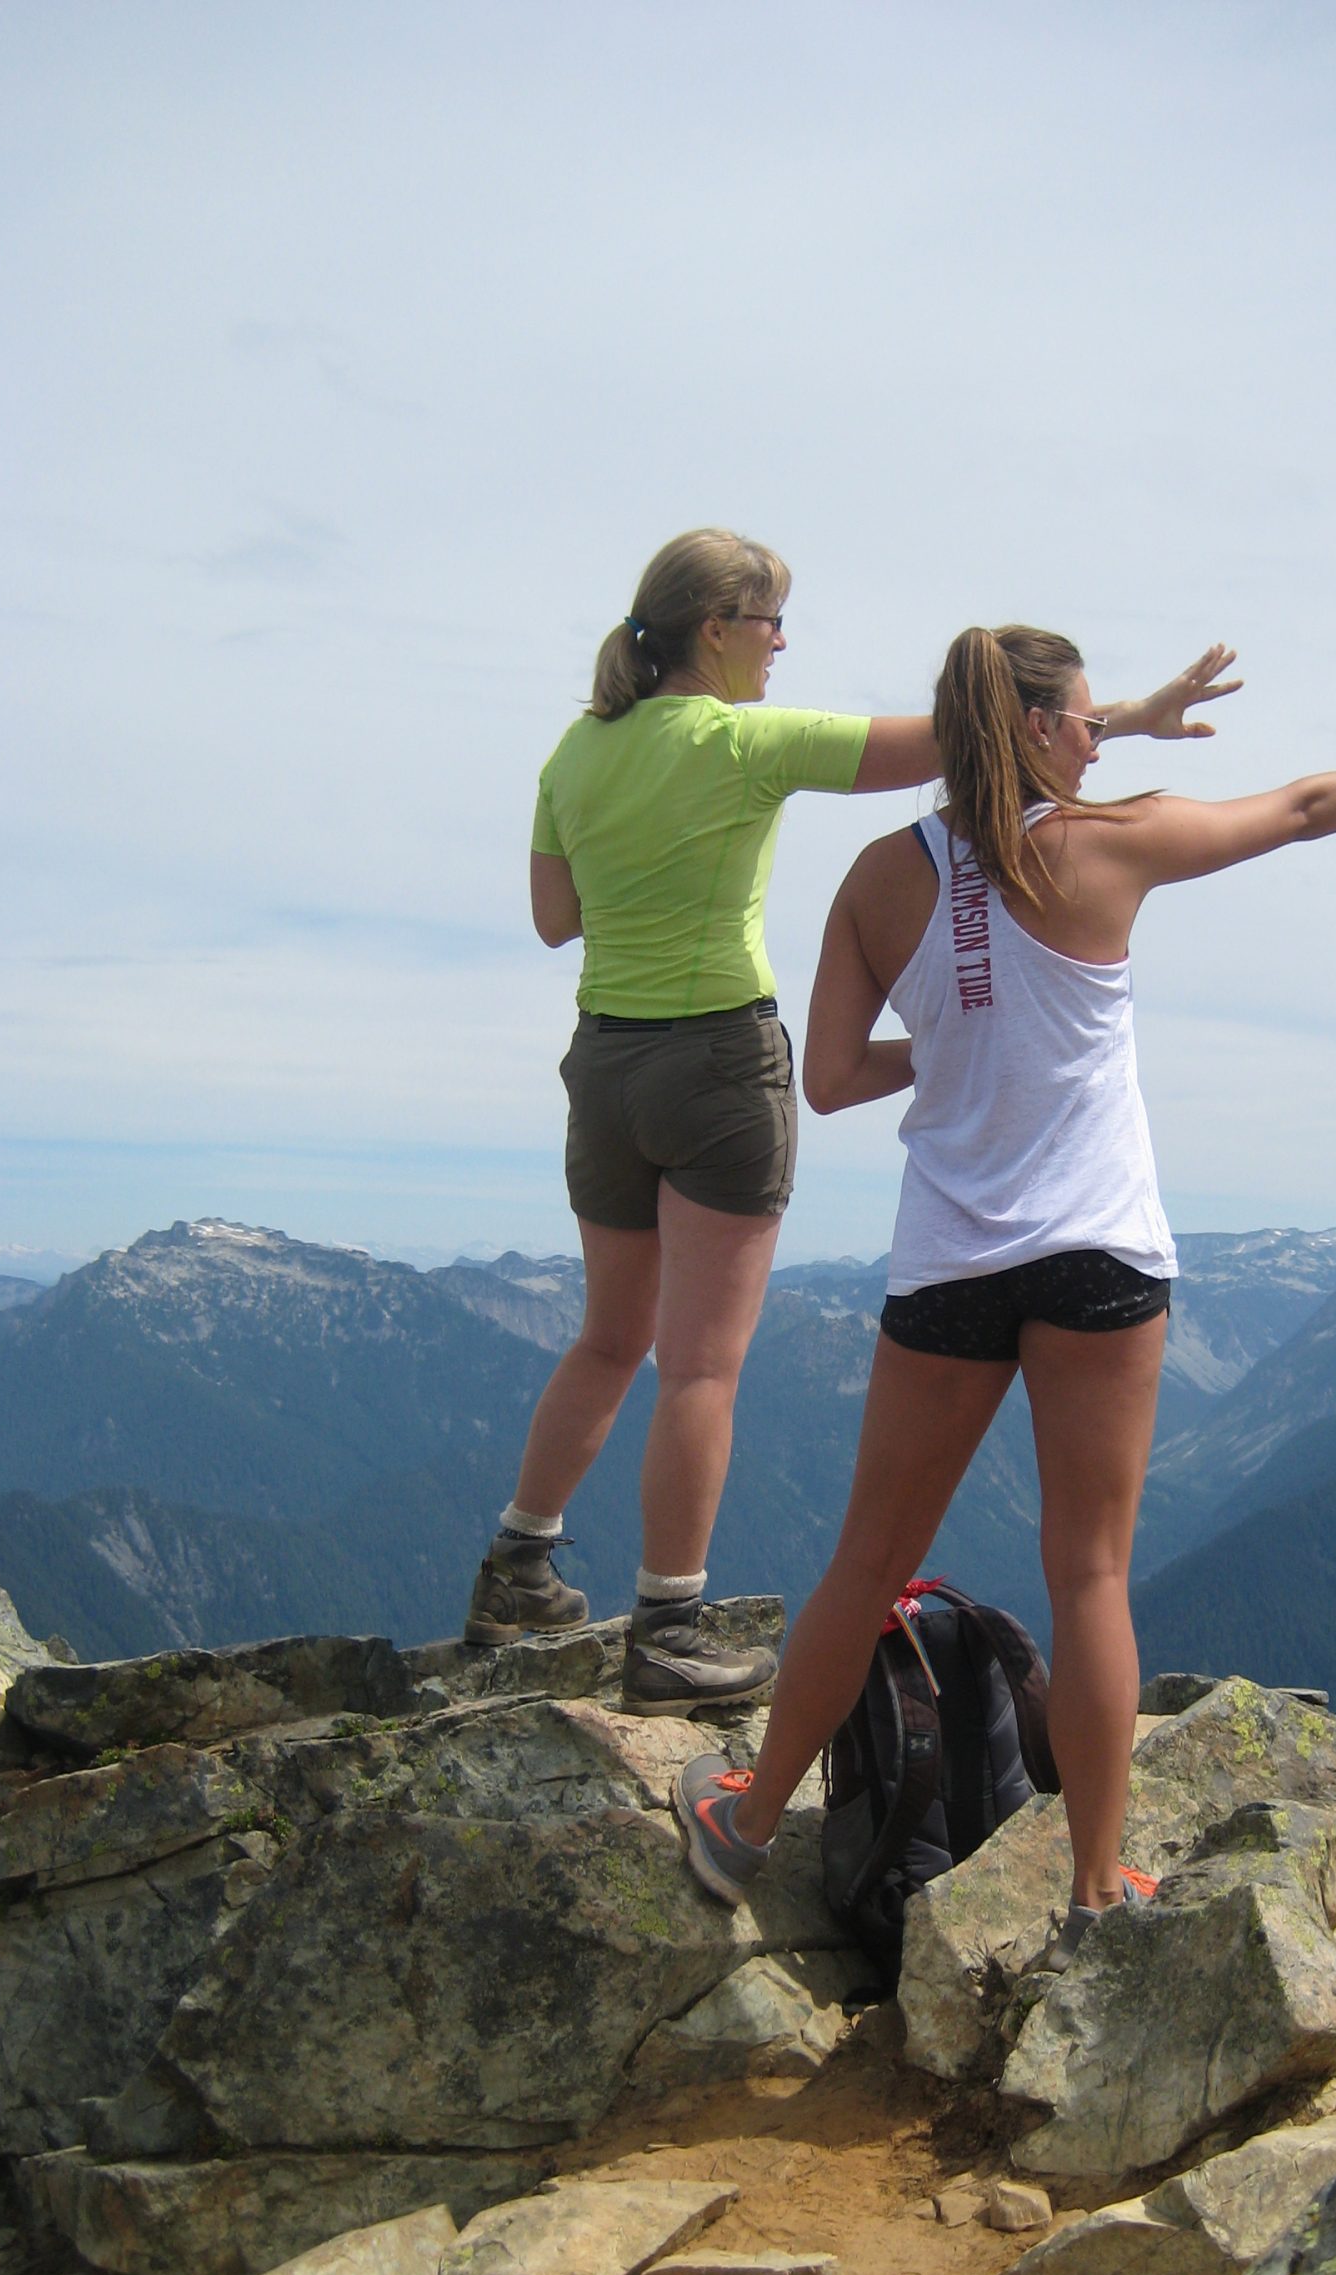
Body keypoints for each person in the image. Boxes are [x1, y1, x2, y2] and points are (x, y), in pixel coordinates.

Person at [674, 622, 1336, 1957]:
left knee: (868, 1561)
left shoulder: (877, 877)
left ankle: (745, 1829)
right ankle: (1096, 1892)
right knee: (1089, 1571)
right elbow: (1307, 807)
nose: (1099, 742)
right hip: (1100, 1251)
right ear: (1037, 727)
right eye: (1088, 722)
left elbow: (837, 1077)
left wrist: (964, 1043)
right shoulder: (1111, 845)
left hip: (953, 1258)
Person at [464, 534, 1239, 1708]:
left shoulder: (576, 751)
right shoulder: (744, 742)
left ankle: (518, 1565)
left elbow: (553, 915)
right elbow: (974, 736)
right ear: (717, 627)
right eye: (771, 621)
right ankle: (668, 1626)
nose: (782, 644)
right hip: (715, 1062)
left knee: (609, 1337)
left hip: (604, 1060)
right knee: (701, 1366)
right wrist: (1121, 722)